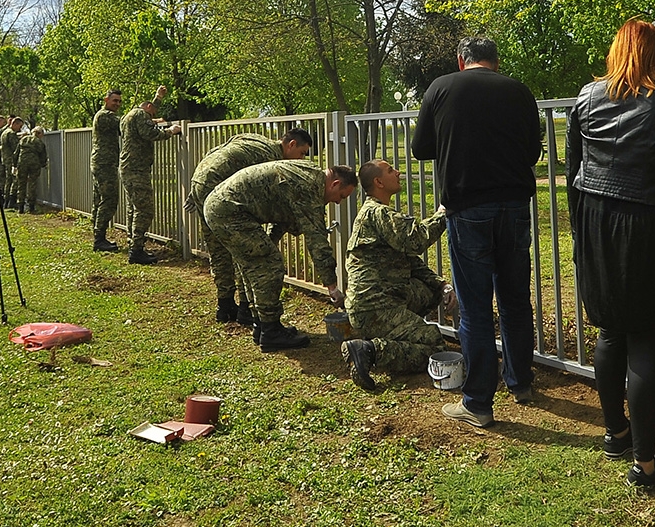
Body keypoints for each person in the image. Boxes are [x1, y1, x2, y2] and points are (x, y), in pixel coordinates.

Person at [567, 18, 655, 488]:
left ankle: (616, 434)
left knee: (611, 331)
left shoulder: (587, 97)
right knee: (646, 338)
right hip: (649, 223)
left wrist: (581, 229)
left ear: (615, 51)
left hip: (597, 222)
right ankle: (645, 464)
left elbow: (575, 168)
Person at [413, 36, 542, 428]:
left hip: (467, 208)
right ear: (496, 61)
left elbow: (420, 148)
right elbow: (534, 151)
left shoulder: (441, 87)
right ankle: (521, 382)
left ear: (461, 60)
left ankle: (478, 403)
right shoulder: (519, 91)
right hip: (516, 206)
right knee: (516, 299)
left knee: (475, 307)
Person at [203, 160, 356, 352]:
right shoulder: (308, 189)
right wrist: (332, 287)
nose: (338, 201)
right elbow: (318, 243)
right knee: (268, 266)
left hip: (221, 207)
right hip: (229, 212)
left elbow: (280, 215)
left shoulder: (308, 175)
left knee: (256, 265)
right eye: (341, 196)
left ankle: (261, 325)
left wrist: (270, 242)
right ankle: (271, 331)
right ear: (334, 184)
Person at [341, 159, 453, 391]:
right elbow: (416, 240)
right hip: (376, 307)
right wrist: (443, 212)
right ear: (379, 182)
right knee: (436, 349)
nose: (399, 172)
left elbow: (410, 261)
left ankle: (397, 334)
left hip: (383, 299)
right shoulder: (377, 212)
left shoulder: (376, 213)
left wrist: (441, 285)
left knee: (430, 291)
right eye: (391, 170)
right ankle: (371, 351)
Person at [187, 128, 312, 323]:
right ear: (291, 144)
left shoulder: (257, 140)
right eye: (302, 153)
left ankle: (225, 305)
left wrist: (195, 189)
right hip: (216, 188)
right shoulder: (270, 160)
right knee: (242, 247)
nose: (301, 160)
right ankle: (245, 306)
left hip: (201, 179)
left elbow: (219, 151)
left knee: (218, 248)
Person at [119, 86, 181, 265]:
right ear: (146, 108)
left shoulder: (128, 117)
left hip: (127, 167)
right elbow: (150, 133)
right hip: (136, 170)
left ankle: (133, 244)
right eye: (152, 114)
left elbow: (146, 121)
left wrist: (158, 98)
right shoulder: (140, 115)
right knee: (145, 209)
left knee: (133, 208)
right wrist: (171, 131)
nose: (153, 117)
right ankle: (136, 250)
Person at [90, 91, 123, 252]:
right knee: (109, 200)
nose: (117, 104)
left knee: (99, 200)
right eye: (114, 101)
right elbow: (127, 124)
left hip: (102, 163)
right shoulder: (105, 116)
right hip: (104, 164)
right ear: (106, 100)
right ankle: (99, 239)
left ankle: (98, 236)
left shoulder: (106, 116)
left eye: (119, 102)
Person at [15, 126, 48, 214]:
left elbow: (16, 152)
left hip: (22, 163)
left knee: (21, 183)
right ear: (40, 134)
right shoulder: (39, 142)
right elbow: (43, 156)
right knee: (32, 184)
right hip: (34, 164)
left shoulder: (23, 139)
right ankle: (31, 206)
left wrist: (14, 165)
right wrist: (43, 164)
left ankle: (20, 206)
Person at [0, 117, 24, 209]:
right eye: (20, 126)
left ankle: (6, 201)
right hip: (11, 160)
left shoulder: (4, 132)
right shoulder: (11, 133)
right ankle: (12, 201)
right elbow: (16, 147)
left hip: (5, 159)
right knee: (14, 180)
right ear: (15, 124)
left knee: (8, 180)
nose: (20, 128)